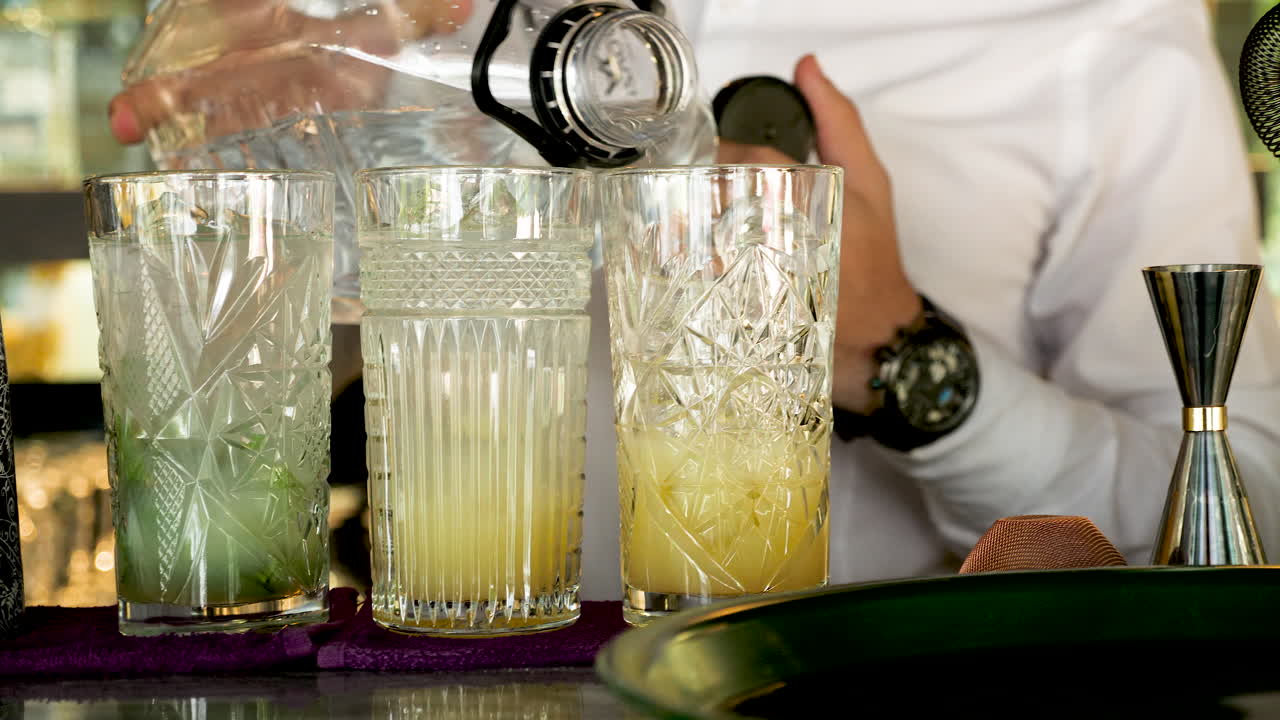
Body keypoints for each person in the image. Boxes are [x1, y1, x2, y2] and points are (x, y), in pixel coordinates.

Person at [107, 0, 1280, 602]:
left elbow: (1246, 517)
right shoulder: (452, 15)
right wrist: (298, 157)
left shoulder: (1098, 33)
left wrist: (907, 364)